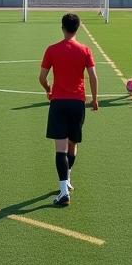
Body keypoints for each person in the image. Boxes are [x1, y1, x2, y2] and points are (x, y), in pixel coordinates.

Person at [39, 13, 99, 207]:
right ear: (78, 27)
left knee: (60, 149)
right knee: (72, 146)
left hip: (58, 103)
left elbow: (41, 76)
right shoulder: (85, 50)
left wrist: (49, 90)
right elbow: (93, 77)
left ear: (62, 27)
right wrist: (95, 99)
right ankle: (68, 179)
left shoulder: (52, 49)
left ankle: (64, 190)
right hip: (77, 103)